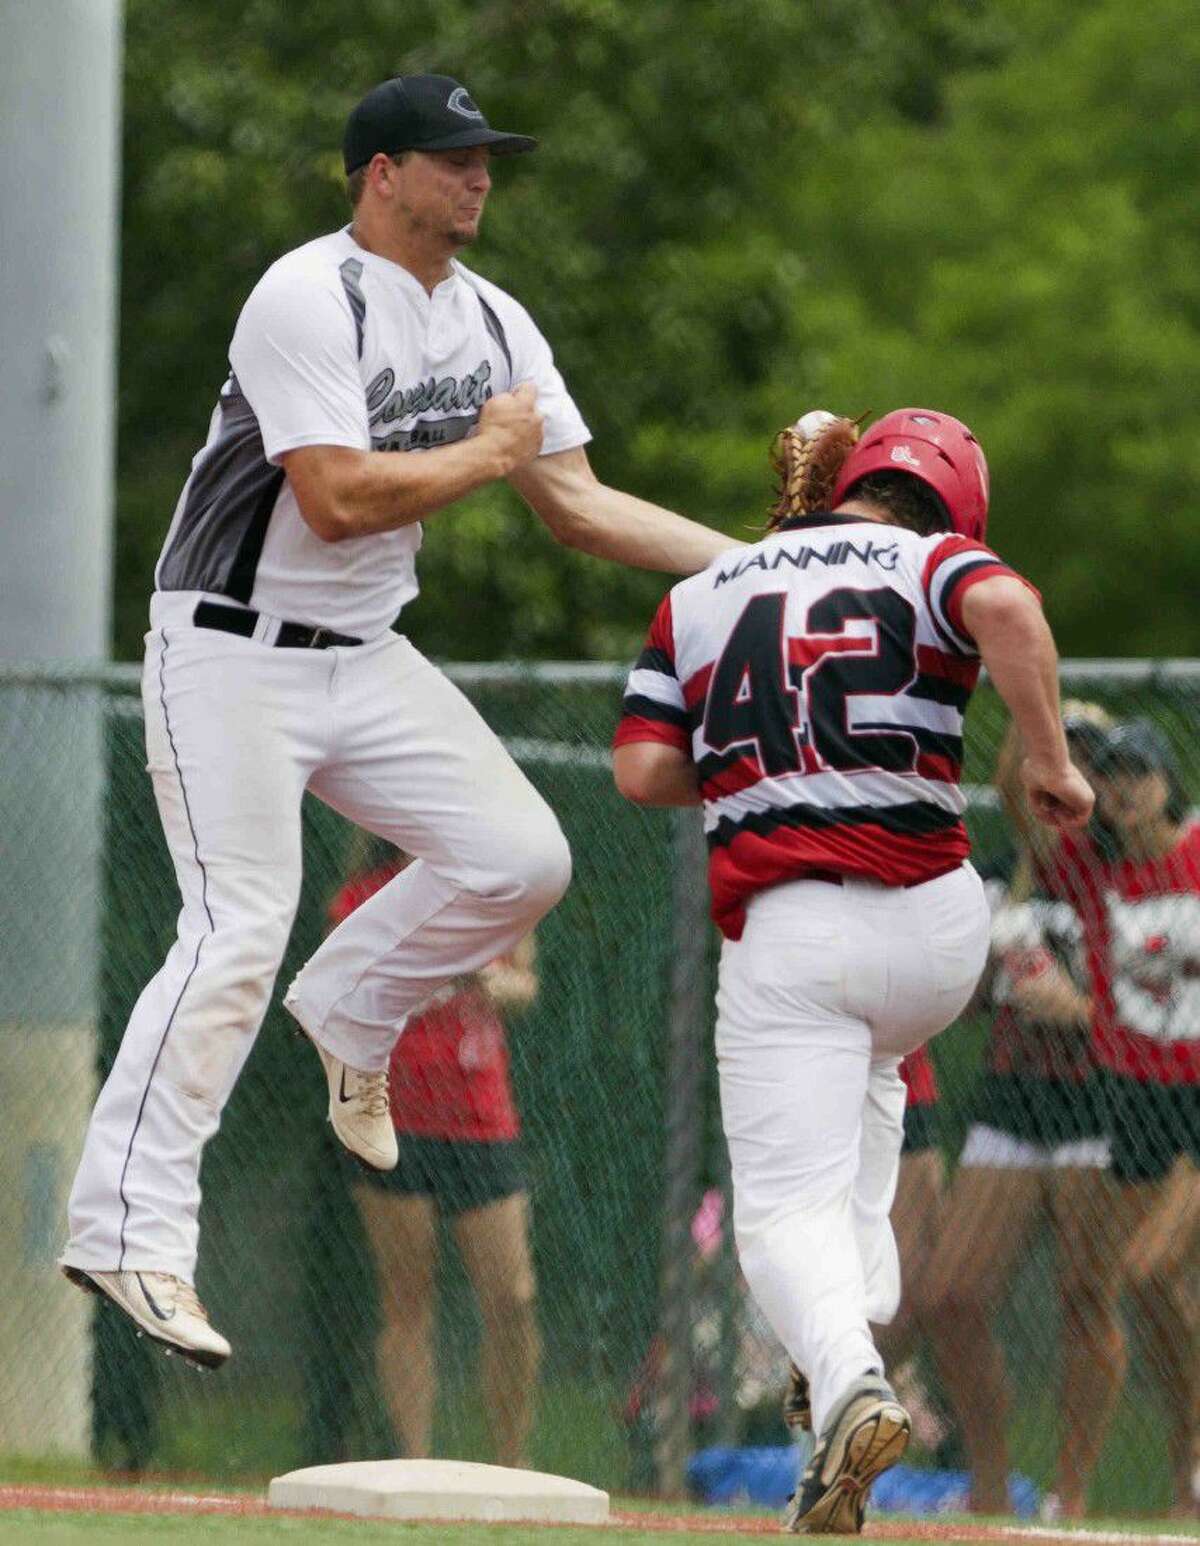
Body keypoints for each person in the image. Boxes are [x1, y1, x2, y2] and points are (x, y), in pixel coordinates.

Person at [58, 73, 738, 1367]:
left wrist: (763, 566)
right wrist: (487, 454)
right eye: (453, 155)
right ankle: (127, 1233)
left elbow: (581, 505)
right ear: (383, 171)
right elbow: (333, 499)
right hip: (226, 652)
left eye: (488, 156)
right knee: (237, 926)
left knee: (523, 859)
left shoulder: (493, 320)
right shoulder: (307, 294)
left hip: (364, 657)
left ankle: (355, 1008)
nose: (480, 175)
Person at [612, 407, 1093, 1534]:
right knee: (872, 1093)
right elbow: (1009, 607)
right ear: (955, 499)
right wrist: (1050, 758)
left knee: (778, 1211)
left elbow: (641, 769)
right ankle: (850, 1329)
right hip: (937, 928)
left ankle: (844, 1379)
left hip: (799, 929)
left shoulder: (705, 590)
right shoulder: (931, 557)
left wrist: (762, 764)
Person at [923, 705, 1117, 1516]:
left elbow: (1158, 1001)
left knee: (1085, 1298)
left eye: (1082, 754)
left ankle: (1070, 1497)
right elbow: (967, 999)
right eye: (1051, 749)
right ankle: (991, 1486)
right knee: (950, 1295)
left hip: (1098, 1110)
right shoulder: (999, 875)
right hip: (1009, 1102)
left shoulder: (1121, 873)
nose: (1060, 763)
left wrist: (1078, 1008)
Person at [1032, 718, 1200, 1517]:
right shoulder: (1092, 870)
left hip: (1197, 1102)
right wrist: (1046, 724)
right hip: (1135, 1099)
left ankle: (1196, 1446)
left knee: (1148, 1269)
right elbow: (1023, 802)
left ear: (1171, 780)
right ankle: (1189, 1451)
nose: (1128, 788)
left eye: (1142, 772)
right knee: (1136, 1287)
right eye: (1116, 775)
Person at [329, 844, 541, 1470]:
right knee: (408, 1297)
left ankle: (511, 1465)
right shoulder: (361, 896)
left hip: (480, 1116)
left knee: (513, 1297)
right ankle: (414, 1464)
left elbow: (523, 983)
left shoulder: (498, 879)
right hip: (392, 1113)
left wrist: (487, 979)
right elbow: (338, 996)